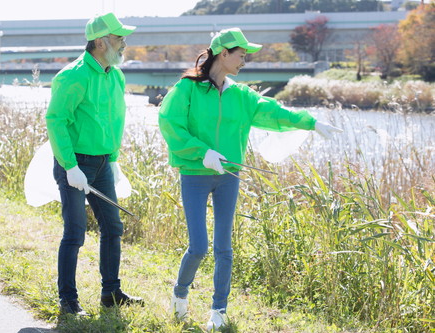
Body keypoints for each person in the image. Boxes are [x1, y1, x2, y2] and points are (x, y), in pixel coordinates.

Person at [158, 27, 341, 331]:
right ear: (224, 53)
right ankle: (180, 294)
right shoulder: (187, 89)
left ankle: (219, 311)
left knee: (224, 248)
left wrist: (311, 122)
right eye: (241, 54)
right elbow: (170, 124)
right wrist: (202, 152)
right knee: (199, 247)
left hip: (229, 176)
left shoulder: (241, 95)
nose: (245, 59)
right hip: (195, 174)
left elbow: (273, 112)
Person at [45, 12, 144, 316]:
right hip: (75, 164)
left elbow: (115, 120)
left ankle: (110, 293)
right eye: (118, 38)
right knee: (75, 232)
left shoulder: (115, 75)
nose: (124, 43)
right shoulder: (72, 76)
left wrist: (113, 161)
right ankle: (68, 300)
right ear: (101, 42)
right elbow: (56, 121)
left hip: (102, 164)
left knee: (113, 227)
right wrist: (70, 166)